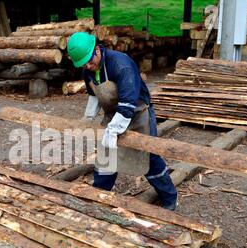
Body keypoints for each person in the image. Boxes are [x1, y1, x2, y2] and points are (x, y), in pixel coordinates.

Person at [67, 32, 178, 211]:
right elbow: (94, 96)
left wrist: (114, 130)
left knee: (148, 157)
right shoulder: (87, 70)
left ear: (97, 49)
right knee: (106, 156)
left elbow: (127, 104)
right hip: (112, 114)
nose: (88, 66)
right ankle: (99, 195)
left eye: (89, 61)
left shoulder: (120, 65)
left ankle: (169, 197)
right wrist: (87, 119)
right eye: (83, 64)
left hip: (137, 113)